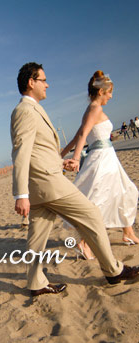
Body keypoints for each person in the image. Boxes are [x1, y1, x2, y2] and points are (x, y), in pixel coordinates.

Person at [11, 62, 139, 296]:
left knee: (37, 237)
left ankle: (36, 282)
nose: (47, 84)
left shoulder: (32, 109)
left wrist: (61, 162)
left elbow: (38, 152)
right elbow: (21, 152)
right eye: (43, 80)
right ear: (31, 82)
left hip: (43, 184)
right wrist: (20, 194)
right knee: (91, 214)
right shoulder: (25, 111)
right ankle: (113, 270)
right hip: (48, 184)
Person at [61, 71, 139, 259]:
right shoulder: (94, 109)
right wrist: (77, 158)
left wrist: (60, 155)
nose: (111, 96)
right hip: (101, 159)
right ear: (101, 91)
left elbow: (76, 136)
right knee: (98, 199)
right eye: (109, 92)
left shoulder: (93, 109)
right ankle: (84, 243)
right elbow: (82, 135)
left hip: (108, 157)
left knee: (125, 191)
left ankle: (128, 232)